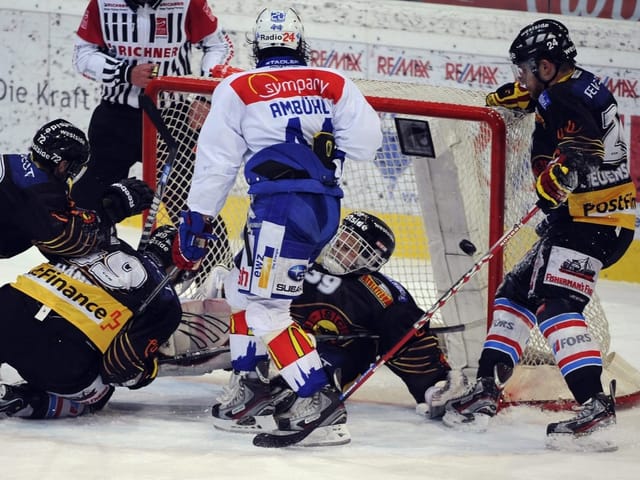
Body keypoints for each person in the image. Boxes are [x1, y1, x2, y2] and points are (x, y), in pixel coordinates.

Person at [172, 7, 382, 446]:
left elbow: (216, 165)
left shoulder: (238, 86)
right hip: (323, 209)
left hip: (279, 212)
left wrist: (197, 220)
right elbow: (366, 145)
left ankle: (317, 396)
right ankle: (247, 384)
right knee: (239, 289)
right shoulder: (332, 82)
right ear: (299, 44)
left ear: (258, 47)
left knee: (268, 311)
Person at [443, 19, 637, 441]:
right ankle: (485, 388)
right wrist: (527, 96)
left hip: (591, 223)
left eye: (526, 69)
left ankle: (593, 405)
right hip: (595, 219)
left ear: (546, 67)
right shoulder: (570, 85)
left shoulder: (562, 98)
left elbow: (584, 150)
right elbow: (559, 109)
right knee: (515, 292)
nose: (520, 77)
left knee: (556, 305)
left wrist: (559, 178)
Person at [206, 212, 466, 439]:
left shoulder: (381, 292)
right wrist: (231, 279)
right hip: (274, 339)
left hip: (336, 353)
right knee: (244, 312)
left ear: (372, 259)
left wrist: (433, 382)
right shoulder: (301, 259)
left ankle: (433, 387)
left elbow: (407, 330)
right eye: (343, 239)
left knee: (287, 396)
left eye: (354, 247)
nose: (342, 247)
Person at [0, 225, 182, 419]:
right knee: (100, 395)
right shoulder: (165, 299)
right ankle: (25, 400)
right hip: (59, 355)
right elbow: (117, 369)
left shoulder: (104, 239)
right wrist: (148, 370)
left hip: (9, 308)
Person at [71, 0, 234, 216]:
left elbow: (218, 45)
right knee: (89, 204)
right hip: (116, 119)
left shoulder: (188, 3)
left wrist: (205, 95)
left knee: (192, 205)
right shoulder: (102, 4)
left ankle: (206, 250)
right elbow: (82, 55)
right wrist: (125, 73)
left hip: (172, 119)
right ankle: (95, 249)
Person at [0, 118, 154, 260]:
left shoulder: (12, 160)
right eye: (75, 166)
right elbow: (69, 242)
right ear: (62, 164)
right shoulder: (42, 191)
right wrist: (112, 209)